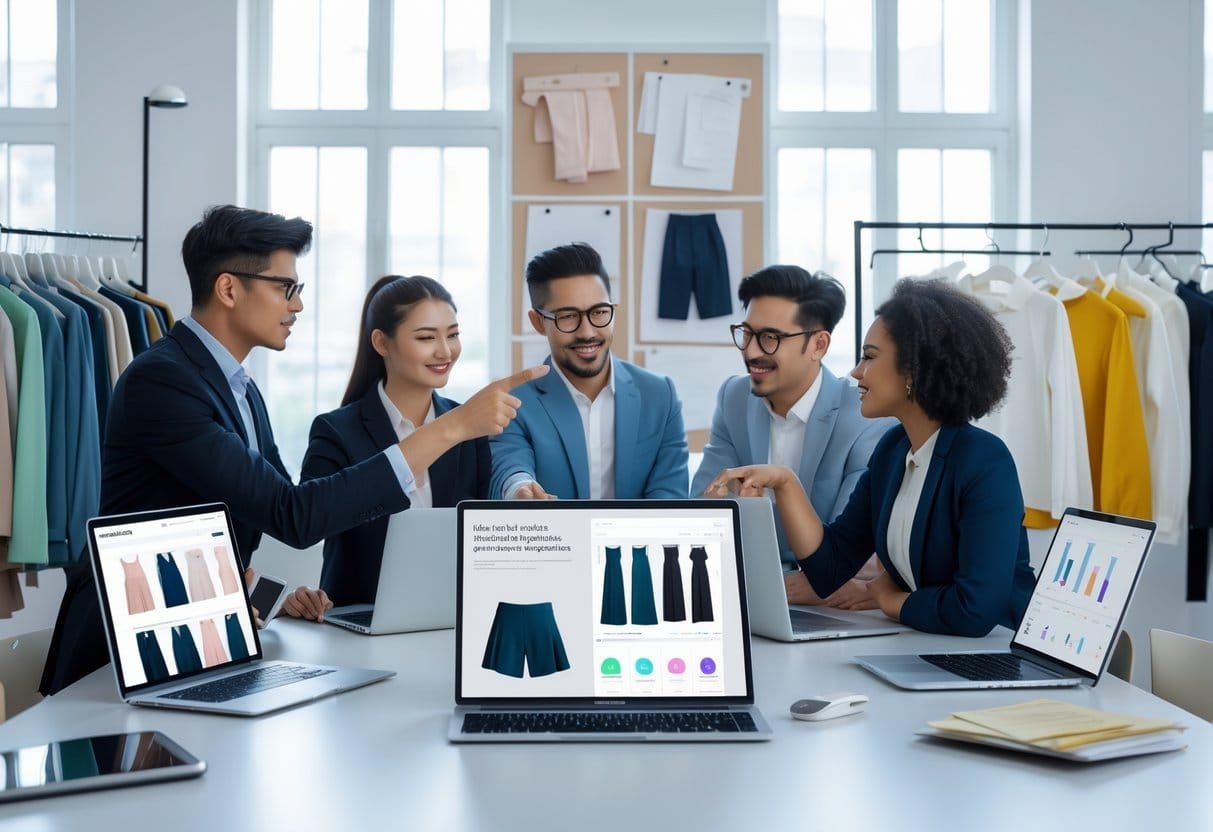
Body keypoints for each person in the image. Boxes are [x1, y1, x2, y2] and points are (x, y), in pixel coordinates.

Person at [41, 205, 545, 693]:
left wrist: (274, 596)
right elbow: (295, 515)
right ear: (229, 289)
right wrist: (450, 428)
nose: (297, 305)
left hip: (194, 630)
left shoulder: (238, 387)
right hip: (121, 650)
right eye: (287, 288)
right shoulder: (163, 382)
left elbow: (273, 507)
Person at [707, 278, 1037, 637]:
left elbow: (975, 610)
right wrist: (785, 482)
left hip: (998, 651)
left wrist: (888, 600)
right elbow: (829, 569)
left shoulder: (984, 461)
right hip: (928, 643)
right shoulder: (894, 450)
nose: (855, 372)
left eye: (870, 356)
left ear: (913, 370)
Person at [282, 275, 489, 620]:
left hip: (451, 624)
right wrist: (302, 598)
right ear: (381, 342)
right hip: (356, 626)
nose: (445, 351)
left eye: (452, 334)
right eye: (426, 337)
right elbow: (309, 522)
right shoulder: (336, 431)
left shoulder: (468, 427)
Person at [691, 265, 891, 608]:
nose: (751, 352)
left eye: (770, 338)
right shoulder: (734, 397)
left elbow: (852, 555)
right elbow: (700, 512)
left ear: (818, 344)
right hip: (748, 593)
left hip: (829, 605)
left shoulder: (864, 416)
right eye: (746, 333)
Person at [488, 242, 689, 500]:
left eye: (599, 312)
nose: (587, 332)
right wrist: (518, 489)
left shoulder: (660, 395)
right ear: (538, 322)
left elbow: (669, 494)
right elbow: (510, 467)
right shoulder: (513, 401)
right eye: (568, 316)